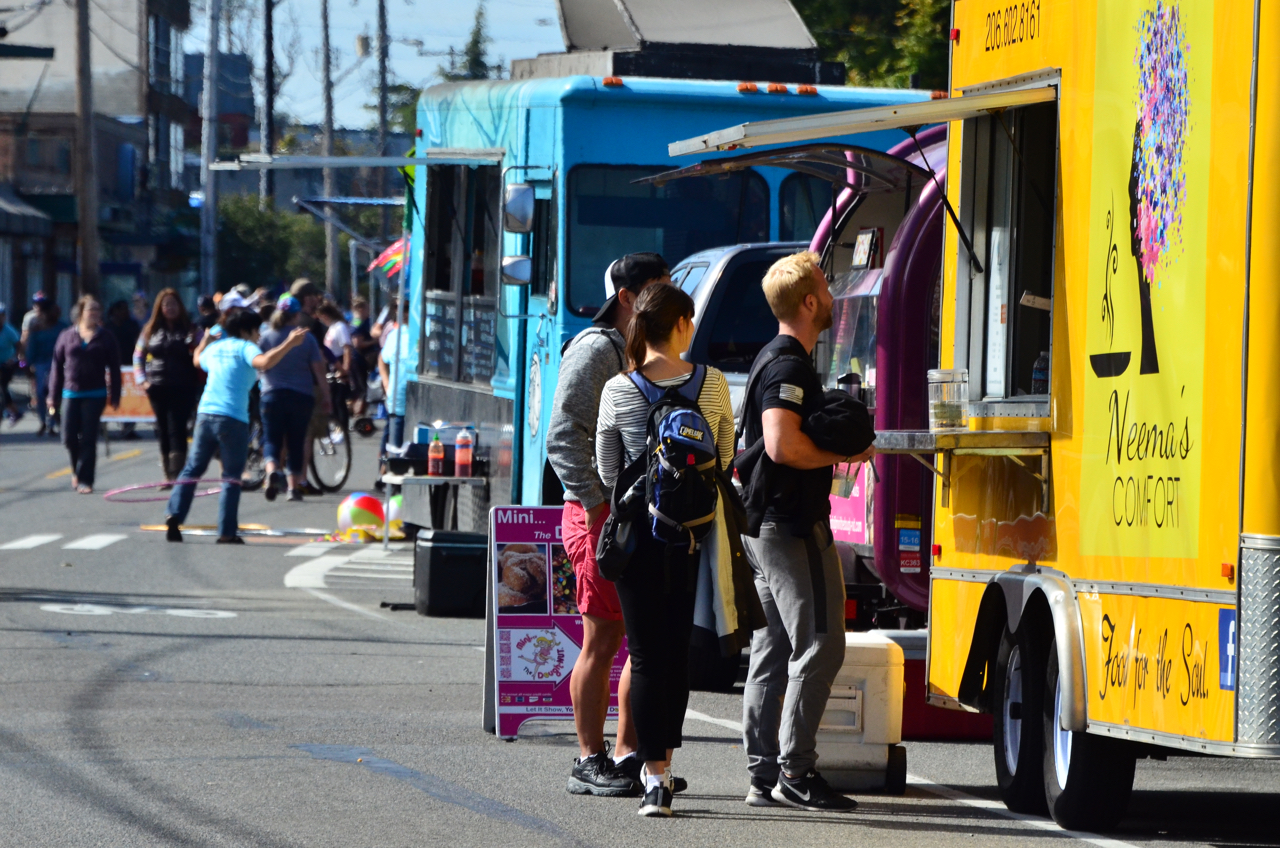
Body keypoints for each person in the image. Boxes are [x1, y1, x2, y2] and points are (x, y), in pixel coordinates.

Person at [739, 252, 874, 813]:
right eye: (826, 285)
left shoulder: (774, 356)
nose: (833, 293)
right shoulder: (789, 365)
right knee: (820, 642)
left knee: (772, 647)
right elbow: (780, 444)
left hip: (763, 525)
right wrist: (850, 450)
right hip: (789, 527)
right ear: (811, 302)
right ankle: (795, 773)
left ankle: (763, 774)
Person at [595, 283, 735, 818]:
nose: (693, 329)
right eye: (691, 320)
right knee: (677, 656)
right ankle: (664, 769)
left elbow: (609, 471)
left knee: (647, 655)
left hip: (638, 542)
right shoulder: (714, 384)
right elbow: (721, 459)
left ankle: (652, 777)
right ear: (678, 324)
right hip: (692, 537)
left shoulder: (618, 390)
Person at [547, 253, 671, 799]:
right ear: (627, 296)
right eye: (656, 291)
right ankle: (588, 758)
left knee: (635, 642)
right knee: (601, 639)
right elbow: (562, 435)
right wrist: (599, 507)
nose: (666, 302)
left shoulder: (645, 349)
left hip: (637, 515)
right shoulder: (598, 348)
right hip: (599, 516)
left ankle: (626, 757)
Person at [165, 310, 309, 544]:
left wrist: (206, 340)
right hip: (232, 418)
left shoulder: (216, 348)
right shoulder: (245, 347)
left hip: (205, 414)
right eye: (256, 331)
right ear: (245, 331)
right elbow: (264, 362)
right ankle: (227, 532)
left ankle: (174, 513)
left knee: (192, 469)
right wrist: (289, 344)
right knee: (231, 477)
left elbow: (196, 359)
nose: (259, 336)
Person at [257, 294, 330, 501]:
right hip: (301, 396)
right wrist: (326, 396)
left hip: (272, 394)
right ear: (297, 315)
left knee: (272, 439)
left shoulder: (266, 336)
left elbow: (259, 365)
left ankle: (272, 470)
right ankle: (293, 487)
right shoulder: (306, 338)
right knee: (296, 441)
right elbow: (318, 370)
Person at [48, 295, 121, 493]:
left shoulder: (106, 337)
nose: (95, 313)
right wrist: (52, 396)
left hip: (95, 393)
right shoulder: (66, 335)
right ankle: (76, 471)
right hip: (71, 392)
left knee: (89, 438)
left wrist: (115, 394)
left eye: (98, 310)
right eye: (91, 309)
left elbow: (114, 367)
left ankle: (85, 480)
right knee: (69, 437)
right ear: (81, 312)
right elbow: (56, 366)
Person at [134, 289, 201, 484]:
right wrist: (143, 381)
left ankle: (178, 474)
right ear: (159, 308)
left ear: (180, 306)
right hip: (157, 388)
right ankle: (167, 474)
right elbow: (138, 356)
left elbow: (204, 351)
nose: (170, 308)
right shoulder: (149, 330)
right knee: (162, 429)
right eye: (166, 305)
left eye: (173, 304)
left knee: (177, 428)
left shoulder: (191, 329)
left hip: (184, 387)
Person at [26, 300, 68, 436]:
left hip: (60, 364)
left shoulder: (63, 327)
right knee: (40, 393)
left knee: (55, 393)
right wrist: (27, 365)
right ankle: (43, 421)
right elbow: (31, 349)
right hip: (41, 365)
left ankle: (52, 422)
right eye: (53, 311)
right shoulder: (37, 328)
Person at [0, 303, 24, 425]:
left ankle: (14, 411)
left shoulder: (9, 331)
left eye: (1, 316)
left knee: (2, 387)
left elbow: (19, 346)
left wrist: (15, 358)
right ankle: (13, 411)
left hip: (6, 364)